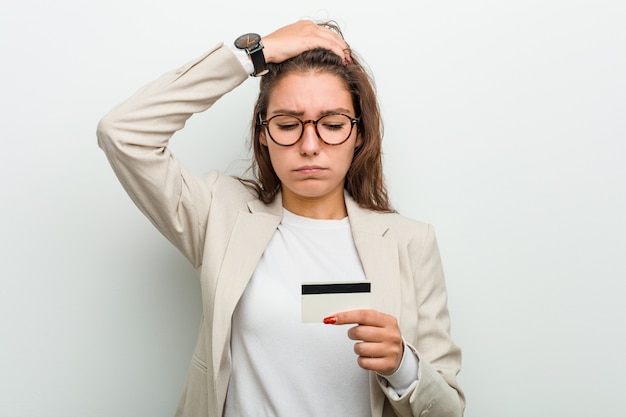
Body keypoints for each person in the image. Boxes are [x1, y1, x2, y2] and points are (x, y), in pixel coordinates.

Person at [97, 19, 464, 417]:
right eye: (288, 125)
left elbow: (448, 410)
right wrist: (251, 55)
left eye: (333, 125)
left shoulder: (409, 242)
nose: (310, 146)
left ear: (359, 133)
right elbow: (123, 133)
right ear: (263, 133)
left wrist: (403, 366)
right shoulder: (222, 216)